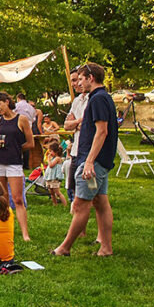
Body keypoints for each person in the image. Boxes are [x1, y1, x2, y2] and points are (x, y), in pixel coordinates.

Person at [52, 62, 118, 258]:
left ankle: (64, 248)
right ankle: (106, 248)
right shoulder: (103, 97)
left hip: (93, 161)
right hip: (100, 160)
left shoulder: (97, 99)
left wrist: (89, 161)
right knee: (100, 201)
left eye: (81, 78)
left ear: (90, 78)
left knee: (81, 205)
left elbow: (102, 132)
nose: (78, 82)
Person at [0, 91, 34, 241]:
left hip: (13, 162)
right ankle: (6, 229)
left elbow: (30, 143)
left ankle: (25, 234)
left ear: (7, 102)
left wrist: (16, 148)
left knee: (18, 199)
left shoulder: (22, 119)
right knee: (2, 198)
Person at [63, 67, 89, 204]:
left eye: (76, 80)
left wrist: (78, 123)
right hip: (75, 150)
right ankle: (76, 206)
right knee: (72, 182)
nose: (74, 84)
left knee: (87, 184)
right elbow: (66, 125)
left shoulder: (93, 99)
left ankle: (82, 207)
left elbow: (88, 125)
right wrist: (78, 121)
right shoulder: (77, 101)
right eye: (73, 81)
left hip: (87, 149)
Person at [42, 138, 67, 205]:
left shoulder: (57, 158)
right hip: (50, 177)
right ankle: (55, 204)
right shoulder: (53, 158)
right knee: (52, 193)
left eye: (51, 151)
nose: (49, 153)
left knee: (57, 192)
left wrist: (49, 160)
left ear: (56, 152)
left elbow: (51, 165)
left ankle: (65, 204)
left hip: (54, 178)